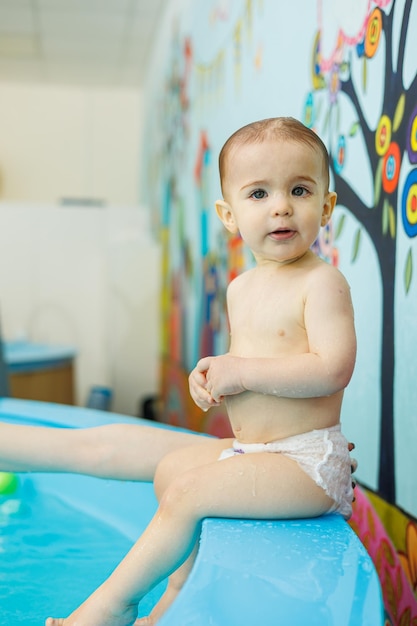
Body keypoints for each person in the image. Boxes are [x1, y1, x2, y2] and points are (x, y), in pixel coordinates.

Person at [0, 117, 357, 626]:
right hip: (258, 452)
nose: (281, 205)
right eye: (258, 193)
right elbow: (252, 366)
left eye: (299, 190)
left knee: (189, 493)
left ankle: (111, 607)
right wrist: (211, 378)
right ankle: (172, 604)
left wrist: (245, 373)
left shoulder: (322, 283)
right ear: (229, 214)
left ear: (325, 206)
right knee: (173, 473)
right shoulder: (241, 288)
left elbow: (332, 368)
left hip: (305, 462)